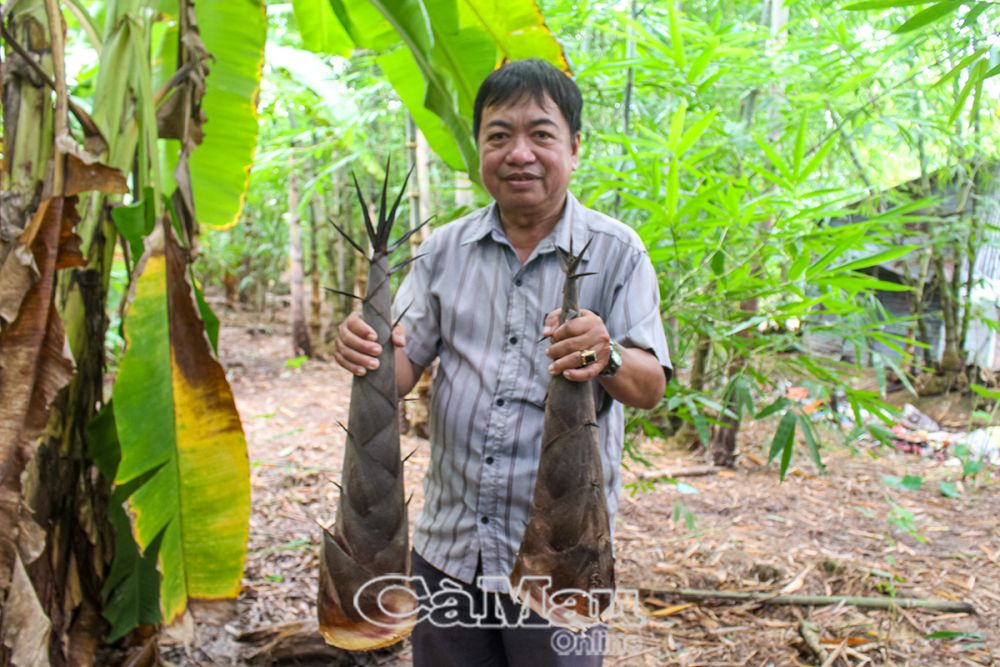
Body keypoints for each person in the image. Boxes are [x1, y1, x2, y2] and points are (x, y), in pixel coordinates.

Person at [332, 58, 670, 666]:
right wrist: (369, 352)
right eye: (498, 136)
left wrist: (609, 353)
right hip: (450, 547)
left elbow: (649, 387)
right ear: (480, 147)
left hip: (561, 557)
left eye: (540, 134)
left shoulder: (618, 251)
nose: (519, 153)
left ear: (573, 146)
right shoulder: (443, 251)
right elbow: (402, 368)